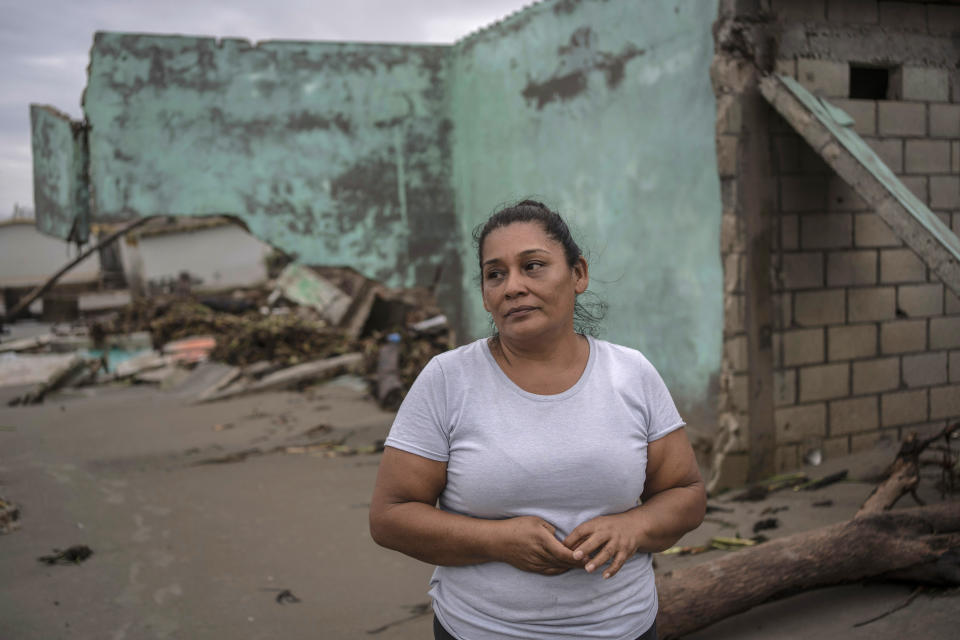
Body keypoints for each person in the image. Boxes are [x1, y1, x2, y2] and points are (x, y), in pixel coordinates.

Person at [369, 200, 706, 640]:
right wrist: (497, 541)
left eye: (533, 266)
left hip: (622, 628)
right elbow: (390, 516)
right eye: (496, 274)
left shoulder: (631, 373)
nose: (513, 287)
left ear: (578, 274)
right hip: (480, 629)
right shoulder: (449, 379)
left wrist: (634, 526)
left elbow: (686, 494)